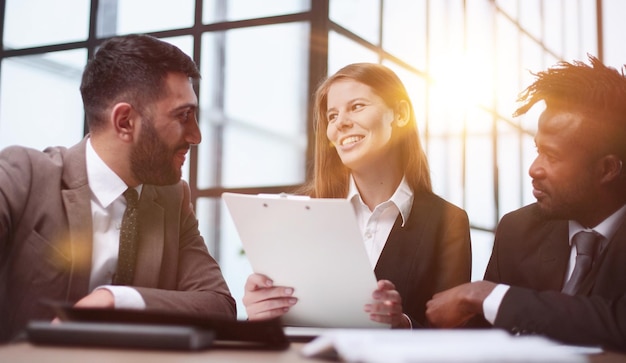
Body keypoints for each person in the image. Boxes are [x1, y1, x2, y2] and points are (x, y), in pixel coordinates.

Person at [0, 34, 236, 343]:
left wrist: (118, 300)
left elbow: (218, 304)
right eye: (184, 116)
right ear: (125, 122)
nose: (196, 135)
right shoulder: (22, 175)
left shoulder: (173, 197)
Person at [243, 63, 472, 328]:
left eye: (357, 106)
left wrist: (403, 324)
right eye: (332, 115)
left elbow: (453, 339)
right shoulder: (300, 213)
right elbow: (283, 324)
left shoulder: (448, 221)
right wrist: (260, 313)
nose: (340, 123)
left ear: (400, 114)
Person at [425, 55, 626, 351]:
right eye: (537, 150)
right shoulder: (518, 230)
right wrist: (401, 322)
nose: (534, 168)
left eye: (552, 156)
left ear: (607, 169)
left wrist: (488, 294)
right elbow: (480, 339)